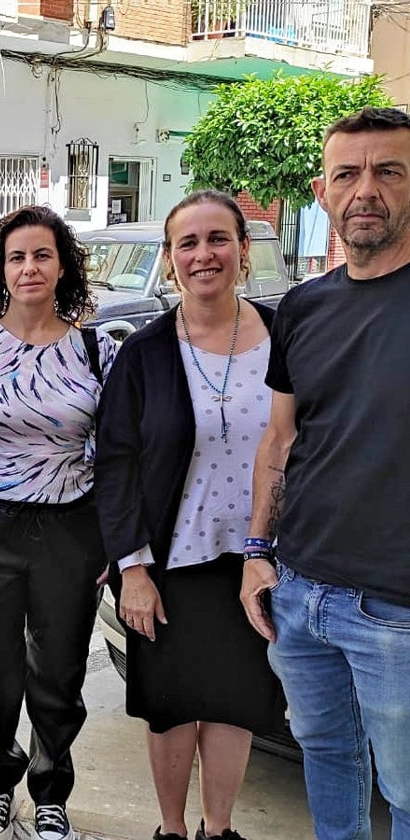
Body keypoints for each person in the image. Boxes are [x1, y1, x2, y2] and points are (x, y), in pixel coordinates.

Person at [241, 106, 410, 840]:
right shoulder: (303, 308)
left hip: (397, 610)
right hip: (301, 592)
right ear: (322, 189)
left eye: (389, 171)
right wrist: (255, 553)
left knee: (407, 791)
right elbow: (279, 440)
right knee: (328, 757)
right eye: (347, 173)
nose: (365, 189)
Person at [95, 192, 285, 840]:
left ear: (243, 251)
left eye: (218, 239)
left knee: (233, 704)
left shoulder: (283, 339)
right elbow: (114, 464)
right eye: (188, 244)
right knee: (172, 710)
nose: (204, 254)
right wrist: (132, 569)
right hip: (168, 564)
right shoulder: (143, 353)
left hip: (254, 563)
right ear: (172, 262)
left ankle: (219, 829)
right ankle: (173, 830)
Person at [0, 206, 115, 840]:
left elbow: (118, 454)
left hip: (71, 528)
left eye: (41, 255)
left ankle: (51, 788)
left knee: (59, 668)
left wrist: (116, 542)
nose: (29, 268)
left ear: (63, 265)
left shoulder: (96, 348)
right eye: (16, 257)